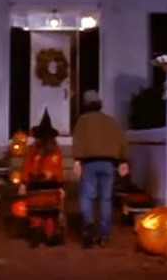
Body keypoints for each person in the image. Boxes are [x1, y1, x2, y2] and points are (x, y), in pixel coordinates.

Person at [72, 90, 129, 248]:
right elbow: (122, 140)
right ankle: (104, 235)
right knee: (106, 199)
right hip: (109, 164)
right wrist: (123, 160)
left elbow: (78, 141)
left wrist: (77, 160)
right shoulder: (111, 121)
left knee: (87, 196)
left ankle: (89, 224)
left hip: (90, 163)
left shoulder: (83, 121)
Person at [18, 109, 65, 247]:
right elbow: (59, 171)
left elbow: (26, 168)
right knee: (50, 213)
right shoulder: (56, 151)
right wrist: (61, 187)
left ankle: (36, 229)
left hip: (35, 189)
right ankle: (49, 234)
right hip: (51, 190)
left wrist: (23, 183)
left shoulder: (33, 151)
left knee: (35, 210)